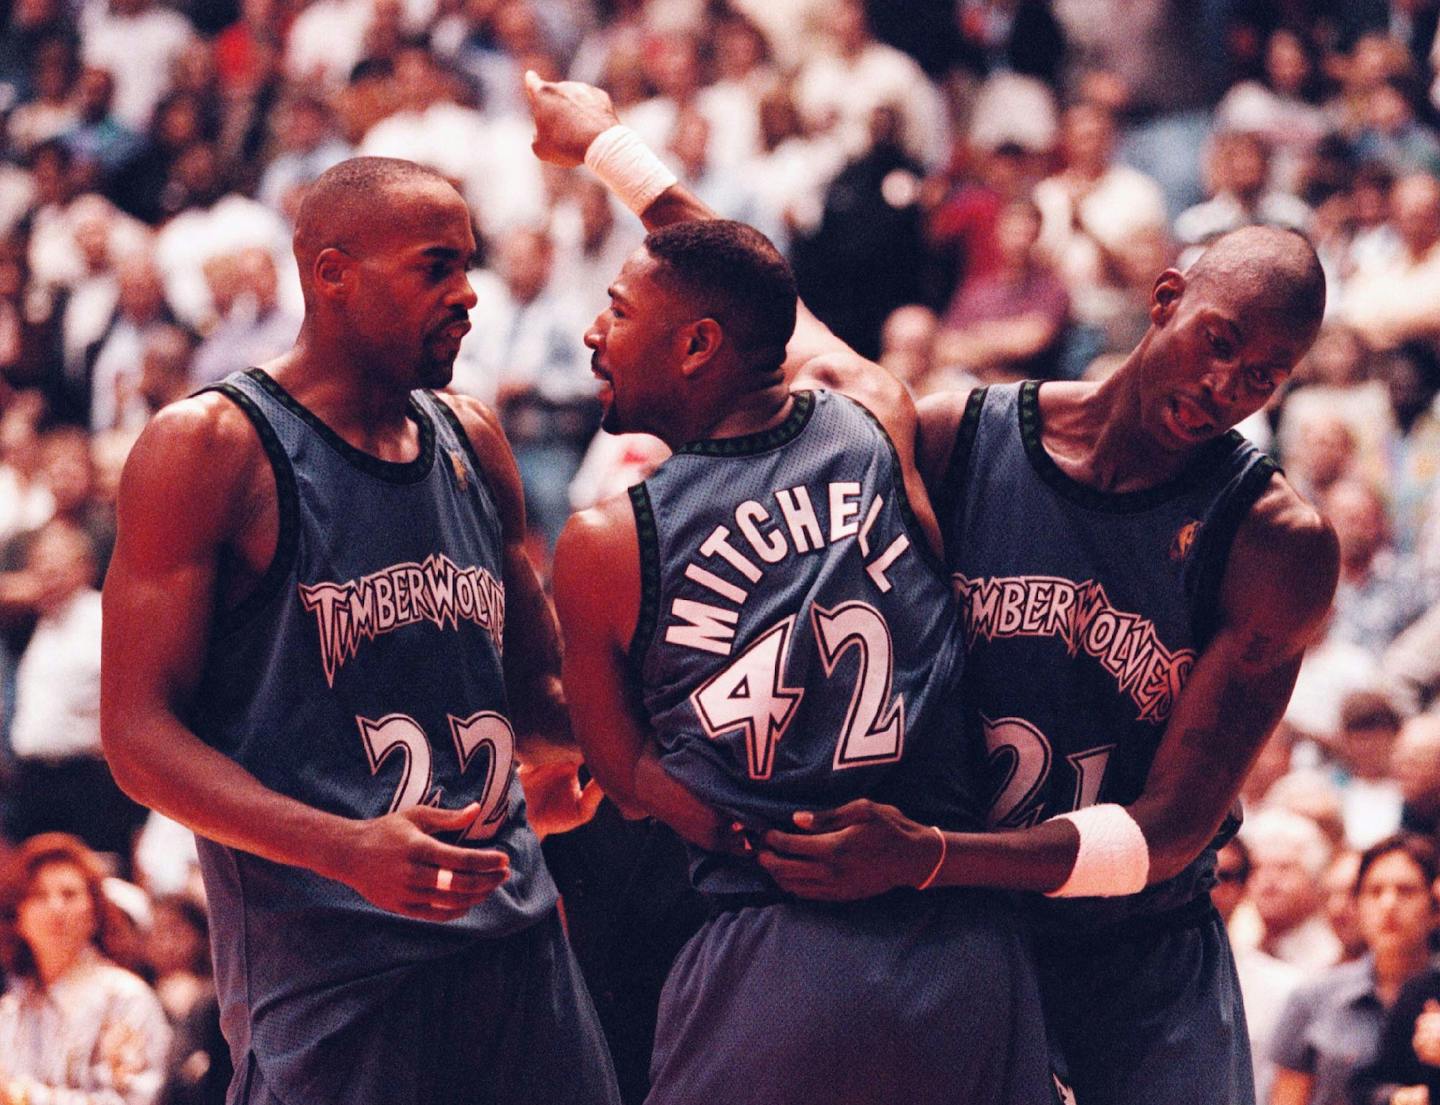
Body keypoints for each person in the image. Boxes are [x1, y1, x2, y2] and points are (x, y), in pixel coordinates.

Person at [527, 74, 1054, 1105]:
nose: (593, 335)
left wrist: (747, 836)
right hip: (954, 923)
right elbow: (761, 292)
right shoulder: (867, 415)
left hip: (771, 946)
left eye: (616, 311)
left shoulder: (607, 541)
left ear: (693, 346)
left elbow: (626, 771)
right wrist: (612, 149)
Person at [757, 222, 1340, 1105]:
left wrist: (930, 855)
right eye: (1219, 343)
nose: (1226, 387)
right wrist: (622, 160)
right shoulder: (965, 435)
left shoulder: (1274, 542)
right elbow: (804, 339)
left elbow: (1170, 829)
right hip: (961, 931)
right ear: (1167, 299)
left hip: (1135, 960)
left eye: (1264, 375)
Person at [99, 156, 620, 1105]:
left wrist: (581, 753)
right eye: (435, 267)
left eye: (470, 264)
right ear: (330, 273)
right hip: (333, 975)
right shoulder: (210, 447)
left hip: (518, 945)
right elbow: (138, 739)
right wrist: (342, 846)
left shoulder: (473, 435)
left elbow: (539, 695)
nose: (468, 294)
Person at [0, 832, 171, 1105]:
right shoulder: (9, 1011)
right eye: (39, 895)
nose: (56, 907)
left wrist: (22, 1096)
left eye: (69, 894)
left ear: (94, 912)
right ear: (18, 917)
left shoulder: (125, 999)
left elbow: (133, 1101)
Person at [1268, 833, 1438, 1105]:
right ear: (1357, 905)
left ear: (1435, 907)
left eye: (1406, 890)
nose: (1388, 905)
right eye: (1374, 891)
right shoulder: (1314, 997)